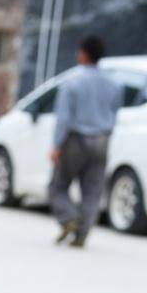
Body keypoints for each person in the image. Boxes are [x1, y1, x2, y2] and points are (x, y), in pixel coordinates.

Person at [48, 34, 123, 248]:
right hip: (102, 140)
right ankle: (82, 235)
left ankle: (69, 217)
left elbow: (64, 118)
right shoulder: (114, 84)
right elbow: (115, 113)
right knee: (92, 191)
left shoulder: (72, 82)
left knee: (57, 186)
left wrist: (56, 145)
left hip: (76, 140)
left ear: (83, 54)